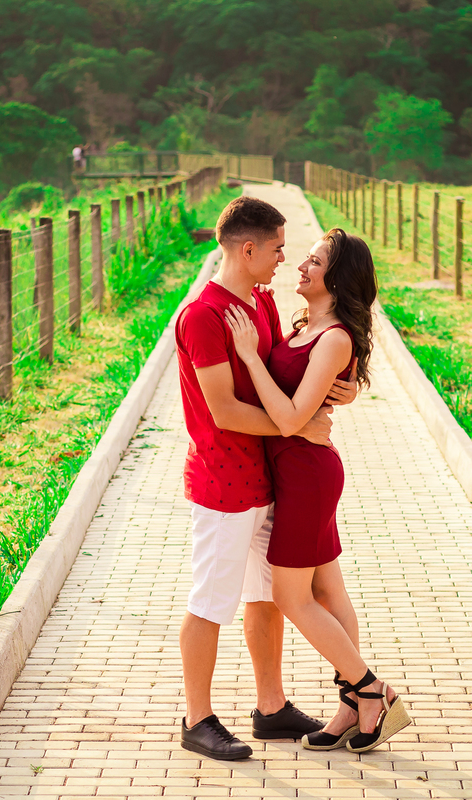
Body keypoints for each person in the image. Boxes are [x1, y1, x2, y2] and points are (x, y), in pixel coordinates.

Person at [173, 197, 359, 760]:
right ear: (247, 249)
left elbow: (287, 368)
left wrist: (340, 388)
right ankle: (197, 719)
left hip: (266, 480)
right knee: (210, 601)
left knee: (265, 598)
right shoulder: (203, 316)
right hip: (222, 483)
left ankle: (271, 708)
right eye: (278, 248)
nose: (285, 258)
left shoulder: (259, 302)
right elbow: (226, 411)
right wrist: (298, 428)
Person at [222, 228, 412, 753]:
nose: (300, 265)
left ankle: (372, 689)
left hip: (306, 477)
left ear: (336, 277)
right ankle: (351, 708)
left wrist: (249, 355)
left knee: (290, 595)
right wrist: (326, 404)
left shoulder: (333, 338)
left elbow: (286, 417)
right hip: (299, 471)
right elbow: (303, 402)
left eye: (314, 260)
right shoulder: (310, 327)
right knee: (328, 593)